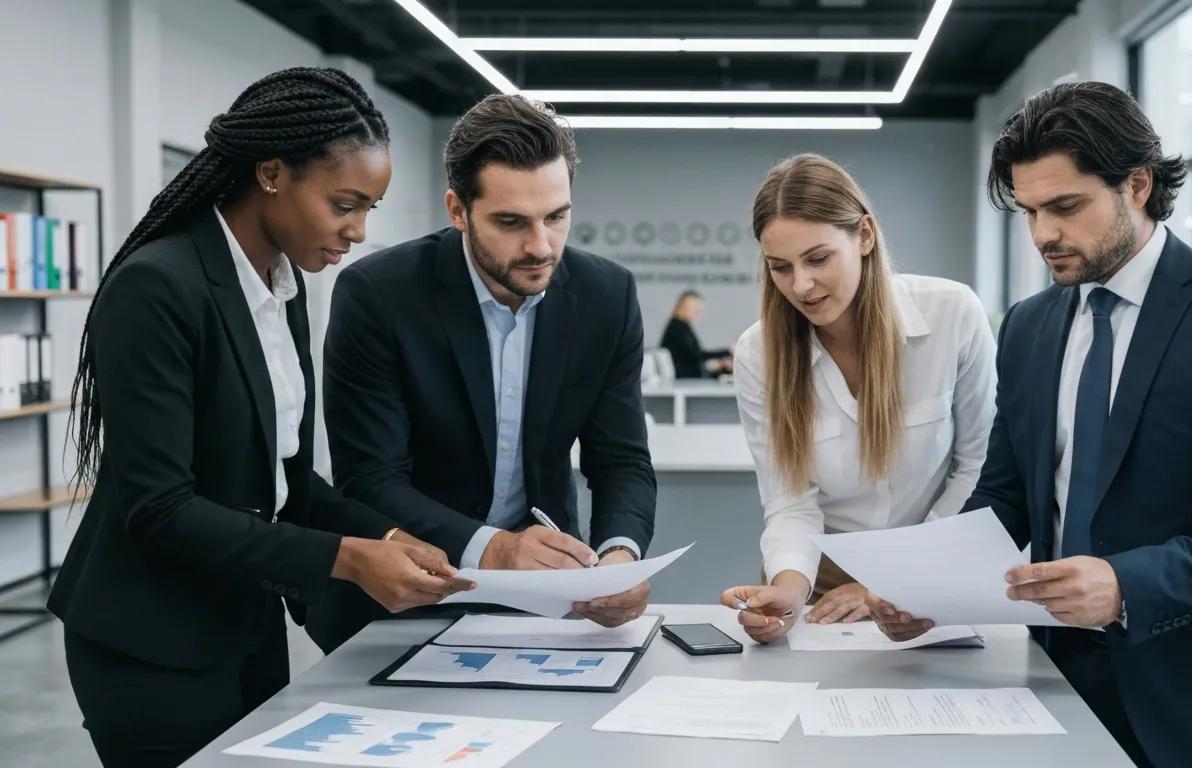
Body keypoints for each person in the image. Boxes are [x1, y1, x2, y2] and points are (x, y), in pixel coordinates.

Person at [867, 82, 1192, 767]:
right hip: (1059, 677)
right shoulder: (1028, 326)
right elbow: (1006, 494)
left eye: (1065, 207)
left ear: (1137, 186)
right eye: (1029, 212)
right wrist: (930, 588)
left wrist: (1127, 585)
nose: (1043, 235)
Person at [47, 68, 469, 768]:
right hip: (149, 641)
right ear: (271, 174)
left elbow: (286, 481)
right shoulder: (158, 286)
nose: (359, 231)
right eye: (344, 205)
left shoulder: (283, 286)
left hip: (245, 621)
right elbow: (160, 508)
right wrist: (347, 558)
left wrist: (393, 537)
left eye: (369, 208)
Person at [306, 94, 656, 651]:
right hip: (401, 595)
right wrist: (493, 548)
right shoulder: (379, 295)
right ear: (458, 210)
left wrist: (619, 558)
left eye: (556, 217)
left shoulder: (606, 296)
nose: (540, 246)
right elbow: (370, 478)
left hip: (542, 602)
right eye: (511, 222)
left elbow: (621, 460)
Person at [718, 154, 996, 643]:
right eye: (780, 267)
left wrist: (894, 581)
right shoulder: (759, 353)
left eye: (818, 258)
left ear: (864, 235)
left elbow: (977, 468)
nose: (801, 285)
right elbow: (789, 500)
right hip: (822, 581)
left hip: (934, 566)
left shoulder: (952, 315)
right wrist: (788, 592)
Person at [659, 289, 732, 378]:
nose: (698, 313)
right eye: (695, 309)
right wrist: (727, 352)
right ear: (683, 307)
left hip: (689, 376)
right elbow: (696, 355)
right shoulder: (678, 328)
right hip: (686, 379)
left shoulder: (681, 326)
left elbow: (693, 357)